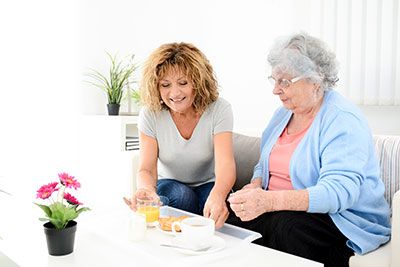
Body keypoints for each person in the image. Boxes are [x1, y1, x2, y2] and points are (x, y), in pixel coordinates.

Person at [227, 33, 391, 267]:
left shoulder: (342, 120)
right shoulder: (282, 114)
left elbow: (338, 193)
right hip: (282, 212)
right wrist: (255, 185)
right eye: (273, 80)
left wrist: (268, 202)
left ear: (316, 79)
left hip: (340, 220)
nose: (275, 90)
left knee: (286, 227)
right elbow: (263, 164)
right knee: (230, 222)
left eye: (284, 81)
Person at [125, 42, 236, 228]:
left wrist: (218, 196)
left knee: (215, 207)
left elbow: (225, 163)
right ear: (156, 87)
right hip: (170, 182)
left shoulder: (219, 109)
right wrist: (146, 189)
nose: (174, 93)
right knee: (181, 198)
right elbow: (146, 168)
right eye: (165, 85)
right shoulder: (150, 114)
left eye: (183, 83)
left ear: (198, 82)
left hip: (208, 183)